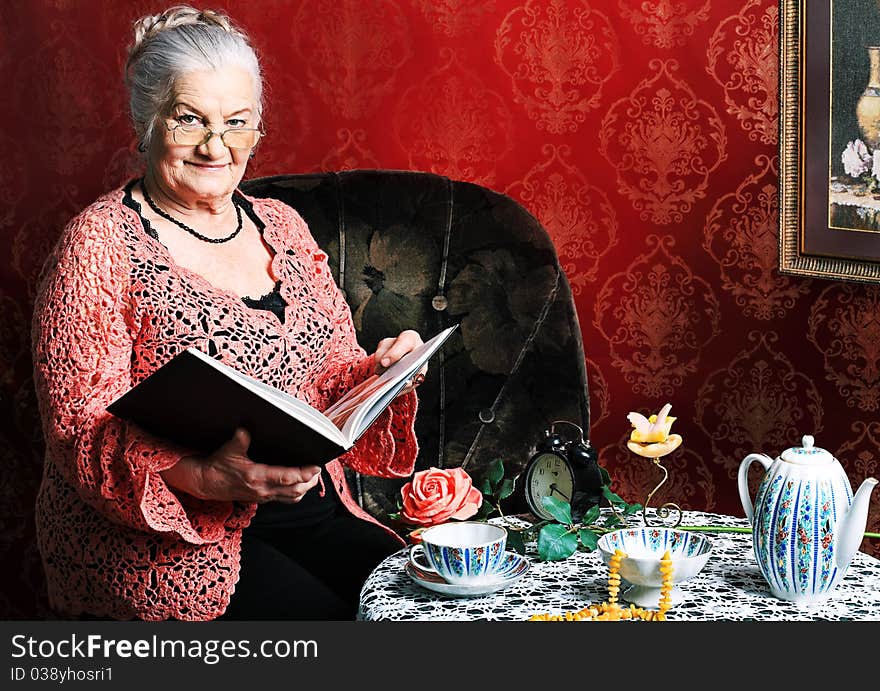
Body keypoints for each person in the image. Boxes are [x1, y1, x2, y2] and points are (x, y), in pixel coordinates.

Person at [31, 5, 425, 621]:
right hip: (173, 540)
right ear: (146, 122)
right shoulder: (97, 242)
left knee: (430, 611)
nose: (217, 146)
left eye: (237, 123)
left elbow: (328, 377)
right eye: (189, 119)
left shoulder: (284, 227)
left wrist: (382, 372)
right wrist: (211, 480)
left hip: (306, 507)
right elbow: (77, 434)